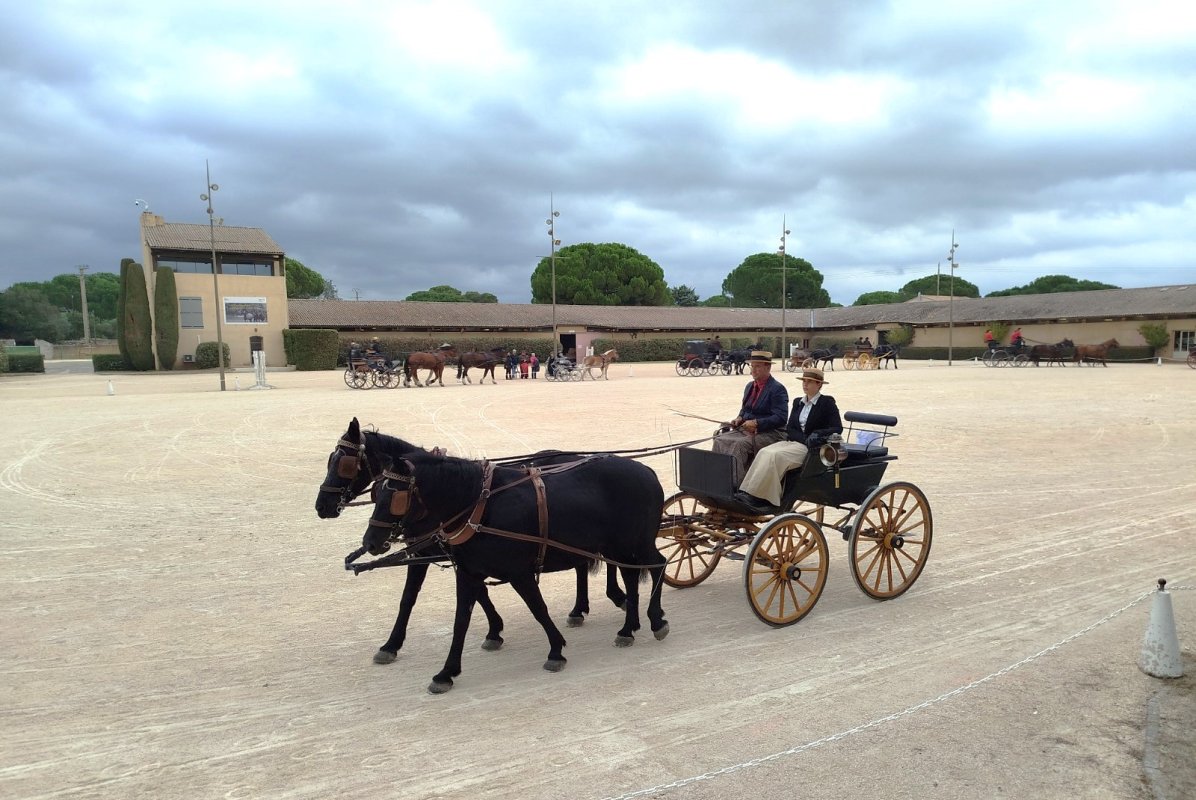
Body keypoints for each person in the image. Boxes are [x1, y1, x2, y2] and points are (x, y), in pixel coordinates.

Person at [736, 367, 843, 509]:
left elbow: (837, 427)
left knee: (775, 456)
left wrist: (818, 434)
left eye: (809, 381)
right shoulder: (798, 402)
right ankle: (748, 491)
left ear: (819, 384)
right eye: (804, 381)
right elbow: (790, 427)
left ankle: (763, 498)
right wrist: (803, 438)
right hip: (795, 442)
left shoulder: (827, 403)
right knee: (764, 452)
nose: (805, 384)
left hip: (813, 448)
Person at [712, 351, 789, 486]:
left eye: (757, 366)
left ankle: (737, 487)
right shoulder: (749, 386)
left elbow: (781, 417)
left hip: (771, 433)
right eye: (752, 366)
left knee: (739, 446)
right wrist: (739, 418)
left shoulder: (777, 389)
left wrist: (757, 423)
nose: (753, 370)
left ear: (768, 367)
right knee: (719, 439)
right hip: (748, 430)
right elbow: (745, 409)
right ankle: (718, 480)